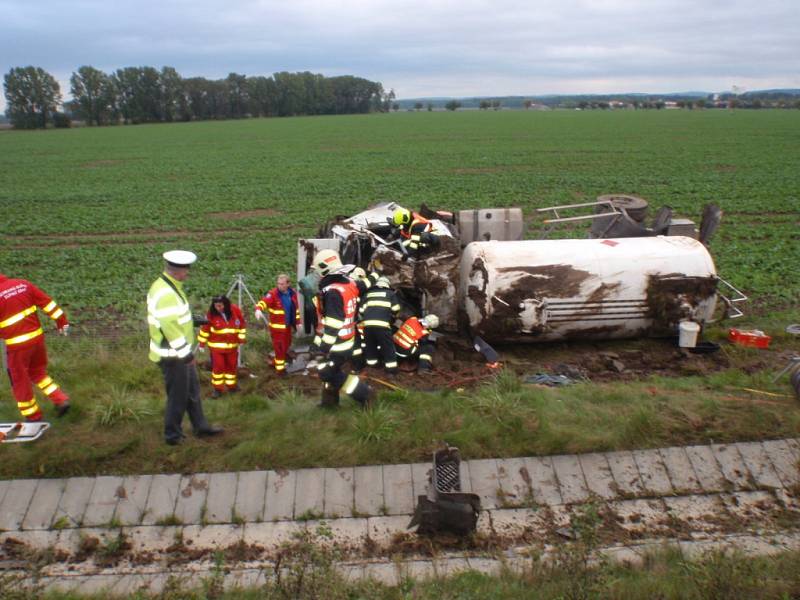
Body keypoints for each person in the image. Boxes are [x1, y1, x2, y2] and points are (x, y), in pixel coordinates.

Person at [146, 250, 223, 446]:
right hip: (174, 356)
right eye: (186, 270)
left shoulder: (169, 286)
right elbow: (170, 328)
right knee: (178, 396)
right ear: (178, 271)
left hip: (179, 353)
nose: (187, 273)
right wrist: (186, 355)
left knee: (192, 391)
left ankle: (200, 426)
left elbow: (175, 318)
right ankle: (172, 435)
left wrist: (192, 321)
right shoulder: (166, 293)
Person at [0, 272, 71, 421]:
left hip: (17, 347)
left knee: (20, 381)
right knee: (37, 372)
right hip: (37, 340)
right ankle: (60, 399)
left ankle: (33, 417)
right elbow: (48, 304)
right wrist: (61, 321)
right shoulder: (22, 284)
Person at [311, 249, 374, 408]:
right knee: (329, 371)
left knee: (327, 372)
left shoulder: (333, 292)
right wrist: (377, 274)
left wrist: (323, 348)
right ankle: (329, 402)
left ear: (324, 269)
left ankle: (364, 394)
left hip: (337, 344)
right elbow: (364, 284)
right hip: (347, 340)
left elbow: (334, 323)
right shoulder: (348, 283)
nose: (317, 275)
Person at [197, 295, 246, 397]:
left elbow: (241, 324)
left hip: (232, 347)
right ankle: (218, 389)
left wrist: (241, 338)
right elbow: (205, 329)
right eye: (216, 306)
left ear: (225, 304)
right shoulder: (211, 314)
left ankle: (231, 386)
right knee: (218, 368)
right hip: (216, 348)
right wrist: (201, 343)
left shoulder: (235, 310)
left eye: (220, 306)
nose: (218, 308)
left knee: (231, 367)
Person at [255, 274, 301, 376]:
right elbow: (263, 302)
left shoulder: (292, 293)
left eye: (282, 284)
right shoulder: (273, 294)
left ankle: (278, 361)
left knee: (286, 345)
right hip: (277, 329)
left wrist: (298, 323)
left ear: (288, 284)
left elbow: (296, 310)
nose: (279, 286)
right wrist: (258, 309)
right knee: (279, 348)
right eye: (278, 284)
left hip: (287, 327)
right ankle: (280, 370)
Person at [359, 276, 401, 373]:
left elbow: (361, 310)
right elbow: (396, 309)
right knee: (387, 346)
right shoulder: (390, 294)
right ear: (387, 285)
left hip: (367, 325)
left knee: (370, 345)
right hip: (382, 325)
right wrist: (392, 317)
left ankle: (372, 365)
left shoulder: (368, 294)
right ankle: (391, 369)